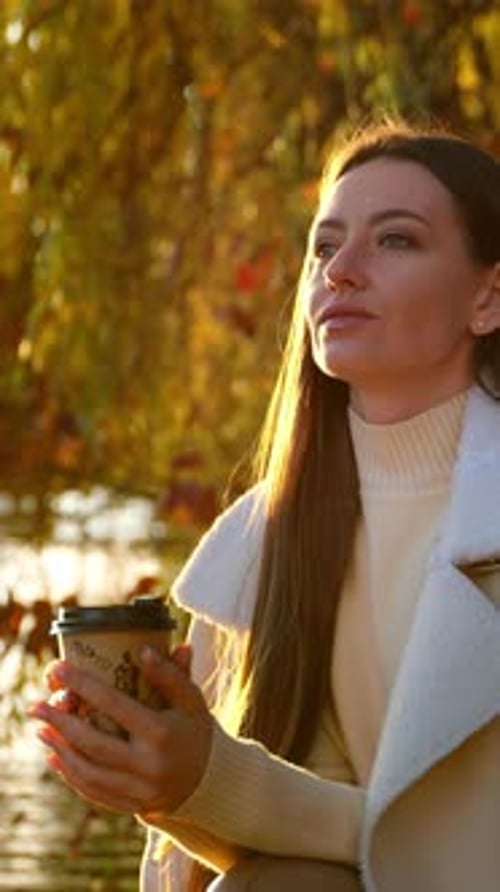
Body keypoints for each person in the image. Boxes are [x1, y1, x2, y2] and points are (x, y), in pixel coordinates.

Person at [29, 119, 500, 892]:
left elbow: (453, 849)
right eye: (323, 246)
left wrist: (208, 778)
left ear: (488, 298)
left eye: (396, 241)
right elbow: (317, 846)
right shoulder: (253, 548)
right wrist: (166, 784)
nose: (339, 272)